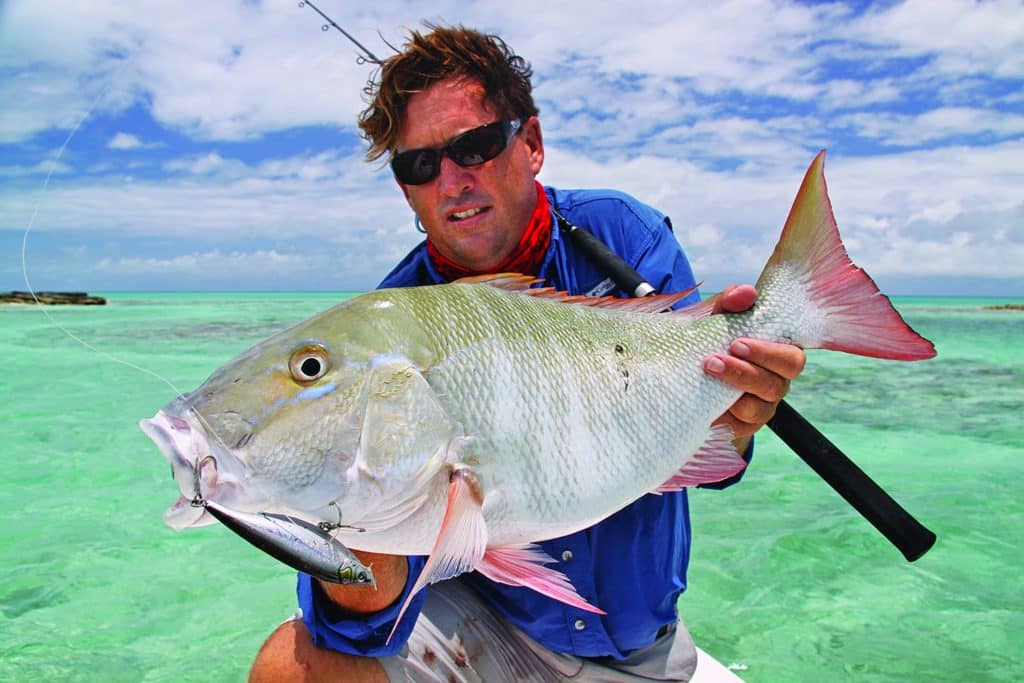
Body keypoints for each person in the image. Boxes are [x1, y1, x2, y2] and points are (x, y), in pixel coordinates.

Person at [250, 24, 805, 682]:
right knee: (290, 669)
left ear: (532, 144)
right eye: (420, 164)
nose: (451, 181)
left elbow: (712, 449)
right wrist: (348, 542)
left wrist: (737, 420)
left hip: (637, 650)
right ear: (406, 190)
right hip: (481, 627)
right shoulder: (389, 324)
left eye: (476, 146)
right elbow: (364, 624)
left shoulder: (622, 235)